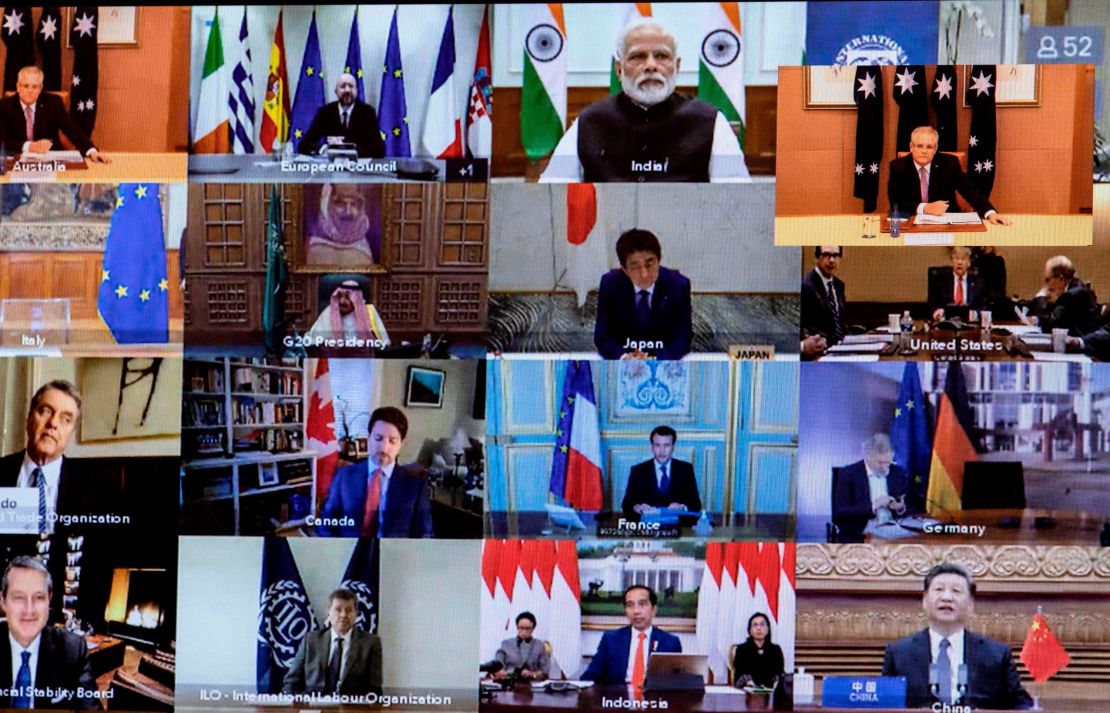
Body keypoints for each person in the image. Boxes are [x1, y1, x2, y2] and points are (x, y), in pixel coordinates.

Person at [540, 19, 749, 183]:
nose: (651, 65)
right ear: (619, 69)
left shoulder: (710, 122)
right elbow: (552, 196)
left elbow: (736, 200)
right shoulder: (589, 122)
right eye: (638, 57)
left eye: (661, 56)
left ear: (677, 66)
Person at [882, 564, 1033, 709]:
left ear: (970, 605)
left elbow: (1022, 705)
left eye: (956, 591)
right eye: (939, 589)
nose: (947, 597)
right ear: (925, 601)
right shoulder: (898, 653)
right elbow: (883, 706)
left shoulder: (997, 655)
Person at [319, 407, 433, 538]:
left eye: (392, 441)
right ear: (368, 438)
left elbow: (425, 534)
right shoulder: (344, 477)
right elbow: (326, 524)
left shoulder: (415, 486)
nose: (384, 448)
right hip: (349, 554)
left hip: (394, 556)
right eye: (378, 439)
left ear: (401, 444)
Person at [0, 556, 97, 709]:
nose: (29, 610)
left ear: (49, 600)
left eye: (39, 597)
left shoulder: (73, 649)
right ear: (3, 601)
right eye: (19, 597)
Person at [0, 381, 85, 536]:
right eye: (45, 411)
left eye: (65, 419)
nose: (52, 423)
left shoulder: (90, 487)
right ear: (28, 420)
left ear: (71, 433)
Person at [594, 229, 692, 360]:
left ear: (659, 260)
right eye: (635, 266)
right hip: (626, 359)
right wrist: (623, 357)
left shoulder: (678, 285)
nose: (645, 274)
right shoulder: (610, 284)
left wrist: (655, 359)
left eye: (650, 263)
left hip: (662, 361)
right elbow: (602, 336)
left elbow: (683, 338)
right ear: (624, 269)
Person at [887, 126, 1009, 224]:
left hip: (947, 220)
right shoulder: (898, 166)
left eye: (929, 147)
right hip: (913, 221)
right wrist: (925, 208)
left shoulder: (949, 163)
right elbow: (895, 203)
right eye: (919, 146)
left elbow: (969, 190)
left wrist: (990, 212)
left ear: (935, 149)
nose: (924, 151)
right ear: (911, 147)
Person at [282, 588, 382, 696]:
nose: (343, 615)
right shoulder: (311, 640)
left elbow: (374, 688)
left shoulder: (370, 643)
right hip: (313, 706)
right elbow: (291, 682)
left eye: (349, 610)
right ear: (328, 612)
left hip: (351, 708)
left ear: (356, 613)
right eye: (338, 610)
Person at [0, 67, 107, 162]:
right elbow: (3, 139)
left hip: (50, 159)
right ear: (18, 87)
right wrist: (29, 146)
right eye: (26, 86)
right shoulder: (4, 106)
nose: (30, 91)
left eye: (34, 87)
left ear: (40, 89)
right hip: (16, 160)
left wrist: (91, 150)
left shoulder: (53, 103)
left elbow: (72, 129)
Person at [581, 585, 681, 686]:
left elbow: (677, 684)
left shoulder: (670, 642)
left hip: (654, 699)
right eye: (630, 605)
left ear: (654, 610)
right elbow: (589, 678)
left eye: (642, 604)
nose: (636, 611)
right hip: (617, 698)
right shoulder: (611, 640)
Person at [832, 434, 917, 543]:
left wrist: (900, 508)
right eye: (880, 463)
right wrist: (874, 505)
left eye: (888, 462)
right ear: (868, 457)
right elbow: (840, 514)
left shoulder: (897, 473)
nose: (885, 467)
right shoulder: (848, 474)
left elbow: (913, 506)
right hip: (860, 535)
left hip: (894, 534)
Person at [621, 426, 702, 519]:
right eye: (657, 445)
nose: (662, 450)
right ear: (652, 447)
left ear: (673, 447)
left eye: (666, 445)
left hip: (678, 526)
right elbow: (626, 505)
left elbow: (696, 505)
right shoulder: (638, 471)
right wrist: (636, 507)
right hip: (648, 525)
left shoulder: (685, 469)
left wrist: (682, 507)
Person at [297, 73, 385, 158]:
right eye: (343, 86)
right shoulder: (325, 112)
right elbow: (303, 145)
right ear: (336, 91)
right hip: (331, 169)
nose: (347, 90)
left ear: (356, 91)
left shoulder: (367, 112)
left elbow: (379, 149)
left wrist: (352, 151)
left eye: (351, 86)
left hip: (359, 168)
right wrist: (323, 149)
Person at [1017, 256, 1102, 336]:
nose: (1047, 285)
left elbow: (1051, 326)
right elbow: (1058, 318)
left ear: (1060, 279)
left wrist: (1040, 297)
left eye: (1048, 279)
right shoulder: (1076, 289)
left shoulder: (1071, 295)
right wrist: (1037, 320)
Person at [306, 184, 378, 267]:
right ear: (326, 204)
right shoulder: (314, 248)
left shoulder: (365, 250)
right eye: (340, 203)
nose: (348, 212)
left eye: (354, 204)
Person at [305, 280, 390, 348]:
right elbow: (311, 341)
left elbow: (384, 343)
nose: (342, 301)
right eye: (339, 296)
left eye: (347, 297)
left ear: (356, 299)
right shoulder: (329, 312)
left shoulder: (369, 313)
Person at [800, 246, 846, 350]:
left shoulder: (839, 285)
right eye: (826, 255)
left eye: (835, 255)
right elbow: (804, 327)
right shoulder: (806, 286)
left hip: (841, 347)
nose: (831, 260)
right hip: (819, 350)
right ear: (816, 258)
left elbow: (841, 325)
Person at [928, 247, 984, 322]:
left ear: (969, 263)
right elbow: (932, 304)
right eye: (957, 259)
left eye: (963, 259)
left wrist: (975, 314)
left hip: (970, 325)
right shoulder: (941, 281)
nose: (959, 262)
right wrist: (936, 312)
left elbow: (985, 306)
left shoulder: (978, 282)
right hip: (946, 325)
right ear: (952, 262)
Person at [490, 612, 549, 682]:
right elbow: (498, 666)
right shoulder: (506, 644)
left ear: (533, 628)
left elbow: (545, 671)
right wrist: (506, 674)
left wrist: (532, 674)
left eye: (528, 629)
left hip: (532, 685)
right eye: (521, 628)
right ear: (517, 627)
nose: (524, 631)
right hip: (509, 684)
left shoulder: (540, 645)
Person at [732, 612, 785, 689]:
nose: (759, 628)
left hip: (771, 692)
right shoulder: (742, 649)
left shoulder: (776, 650)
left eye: (762, 624)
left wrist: (777, 683)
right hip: (748, 692)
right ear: (750, 630)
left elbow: (780, 673)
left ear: (768, 629)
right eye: (755, 625)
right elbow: (739, 674)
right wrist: (750, 685)